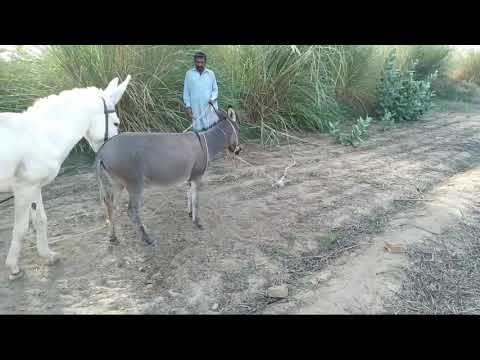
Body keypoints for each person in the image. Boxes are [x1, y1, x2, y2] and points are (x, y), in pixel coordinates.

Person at [183, 51, 219, 132]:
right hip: (196, 109)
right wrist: (188, 107)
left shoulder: (211, 74)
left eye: (202, 62)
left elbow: (215, 90)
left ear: (205, 62)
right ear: (194, 62)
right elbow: (186, 92)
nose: (199, 64)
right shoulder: (189, 74)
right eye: (197, 62)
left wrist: (212, 99)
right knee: (198, 133)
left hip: (209, 108)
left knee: (211, 131)